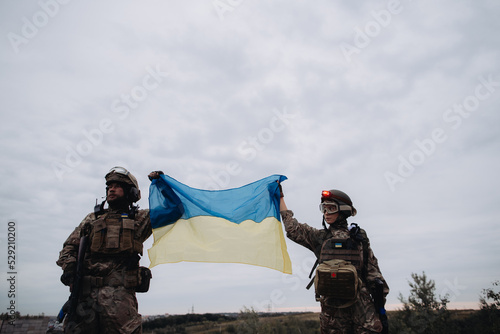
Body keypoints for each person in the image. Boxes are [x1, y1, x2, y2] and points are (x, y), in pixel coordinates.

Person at [56, 167, 163, 333]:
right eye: (109, 186)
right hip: (85, 298)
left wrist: (161, 184)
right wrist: (70, 269)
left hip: (120, 302)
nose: (111, 189)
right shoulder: (92, 219)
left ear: (131, 192)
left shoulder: (140, 219)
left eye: (117, 186)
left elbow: (174, 209)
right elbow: (69, 248)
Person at [279, 187, 389, 334]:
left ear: (343, 210)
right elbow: (293, 229)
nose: (326, 213)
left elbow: (374, 277)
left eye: (331, 208)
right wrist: (280, 198)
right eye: (324, 209)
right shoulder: (324, 237)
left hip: (339, 313)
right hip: (355, 313)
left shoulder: (356, 238)